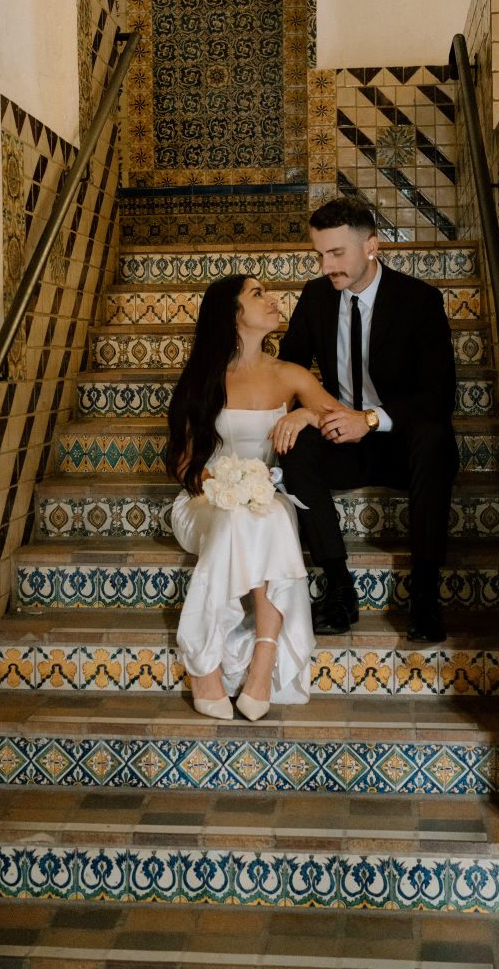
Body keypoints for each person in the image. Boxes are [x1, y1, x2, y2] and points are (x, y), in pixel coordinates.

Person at [278, 197, 458, 642]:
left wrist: (371, 420)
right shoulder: (316, 296)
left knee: (435, 440)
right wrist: (304, 410)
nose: (326, 266)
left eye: (337, 253)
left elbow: (438, 396)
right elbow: (289, 367)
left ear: (372, 245)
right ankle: (338, 586)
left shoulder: (419, 300)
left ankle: (424, 593)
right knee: (293, 444)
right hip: (341, 438)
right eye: (320, 254)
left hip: (400, 442)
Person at [167, 274, 336, 721]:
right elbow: (185, 466)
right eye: (257, 294)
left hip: (265, 498)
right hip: (205, 502)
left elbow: (339, 418)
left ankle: (263, 663)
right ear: (232, 313)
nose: (272, 300)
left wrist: (302, 414)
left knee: (275, 513)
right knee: (241, 517)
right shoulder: (203, 379)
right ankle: (203, 666)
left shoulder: (289, 375)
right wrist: (225, 488)